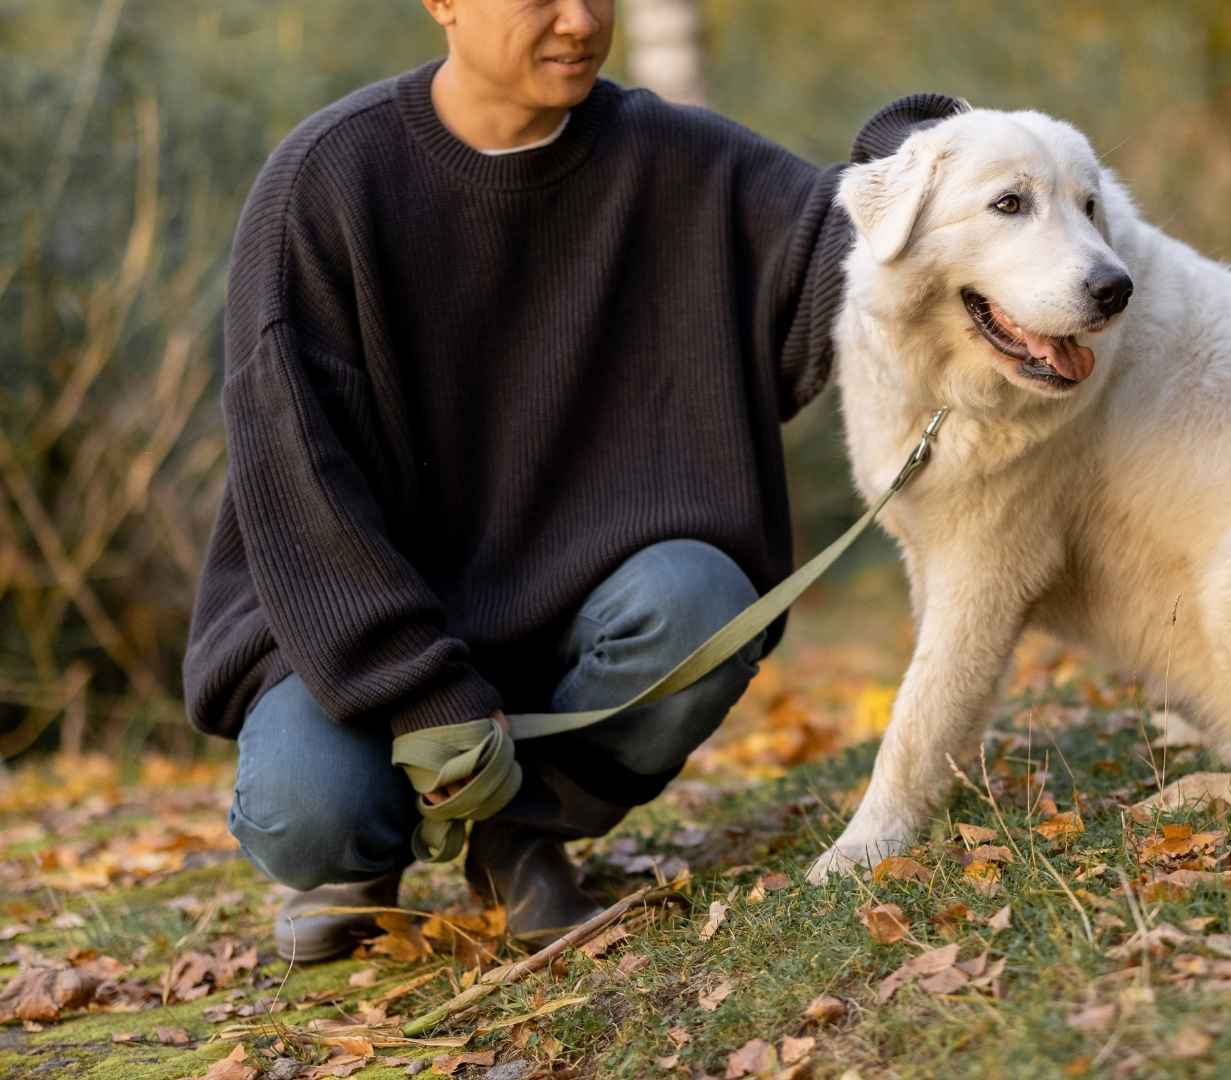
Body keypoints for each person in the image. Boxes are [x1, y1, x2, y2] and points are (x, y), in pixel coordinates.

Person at [181, 0, 960, 961]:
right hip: (352, 631)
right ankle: (357, 866)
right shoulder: (329, 178)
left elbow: (843, 249)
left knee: (706, 601)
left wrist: (939, 154)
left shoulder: (675, 159)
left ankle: (523, 838)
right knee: (312, 810)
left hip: (576, 616)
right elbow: (297, 479)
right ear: (444, 4)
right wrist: (425, 693)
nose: (579, 20)